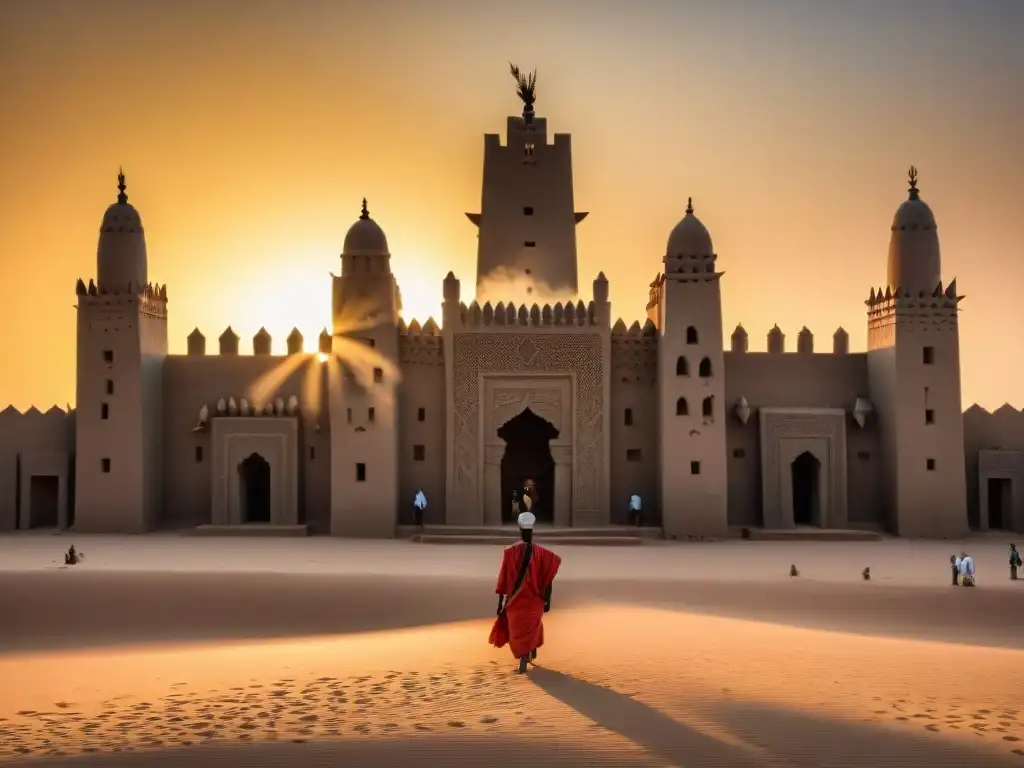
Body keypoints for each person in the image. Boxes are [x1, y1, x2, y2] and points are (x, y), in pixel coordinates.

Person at [489, 511, 562, 674]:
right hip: (535, 602)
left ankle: (523, 663)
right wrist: (547, 601)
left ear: (520, 529)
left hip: (515, 603)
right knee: (531, 628)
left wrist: (500, 604)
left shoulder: (509, 552)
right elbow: (549, 578)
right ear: (532, 530)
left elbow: (503, 580)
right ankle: (529, 653)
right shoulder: (543, 554)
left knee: (518, 634)